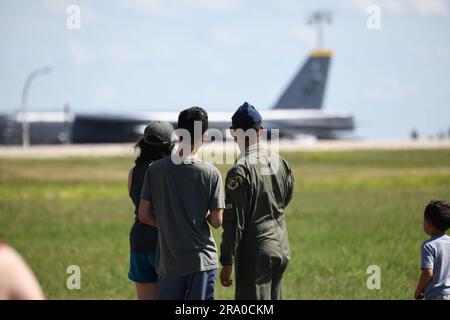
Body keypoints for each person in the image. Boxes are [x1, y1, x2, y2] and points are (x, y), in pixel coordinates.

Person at [138, 106, 225, 300]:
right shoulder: (211, 174)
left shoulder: (154, 170)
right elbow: (217, 221)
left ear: (178, 133)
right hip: (201, 261)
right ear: (203, 136)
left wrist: (170, 224)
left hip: (170, 261)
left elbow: (143, 215)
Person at [219, 101, 294, 300]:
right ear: (260, 131)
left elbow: (234, 221)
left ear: (233, 132)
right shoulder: (280, 162)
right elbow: (285, 198)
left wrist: (227, 261)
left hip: (255, 253)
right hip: (281, 246)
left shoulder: (240, 170)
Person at [128, 121, 174, 300]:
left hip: (139, 242)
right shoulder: (170, 171)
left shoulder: (133, 172)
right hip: (165, 244)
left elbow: (136, 202)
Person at [414, 200, 450, 300]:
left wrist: (418, 290)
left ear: (429, 223)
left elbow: (428, 273)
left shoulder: (429, 246)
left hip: (436, 296)